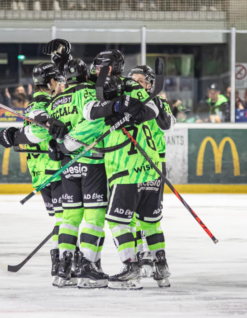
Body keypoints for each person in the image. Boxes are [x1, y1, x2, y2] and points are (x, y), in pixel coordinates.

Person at [80, 49, 166, 290]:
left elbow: (154, 112)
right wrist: (115, 107)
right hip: (148, 169)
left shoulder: (129, 88)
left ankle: (131, 269)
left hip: (125, 170)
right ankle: (160, 266)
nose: (95, 71)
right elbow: (92, 110)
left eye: (98, 67)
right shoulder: (114, 88)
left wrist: (132, 114)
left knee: (118, 221)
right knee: (148, 223)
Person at [0, 62, 66, 287]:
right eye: (61, 80)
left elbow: (31, 134)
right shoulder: (43, 102)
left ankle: (59, 262)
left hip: (44, 173)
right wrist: (17, 136)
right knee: (67, 220)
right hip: (56, 170)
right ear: (52, 82)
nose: (64, 84)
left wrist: (15, 135)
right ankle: (63, 262)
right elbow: (38, 132)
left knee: (63, 220)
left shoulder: (39, 102)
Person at [128, 65, 175, 284]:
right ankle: (142, 255)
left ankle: (152, 256)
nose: (135, 84)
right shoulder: (126, 103)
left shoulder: (160, 102)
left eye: (140, 81)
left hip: (155, 164)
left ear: (149, 84)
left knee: (149, 215)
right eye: (132, 80)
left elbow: (167, 125)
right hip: (131, 163)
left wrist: (154, 103)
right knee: (132, 216)